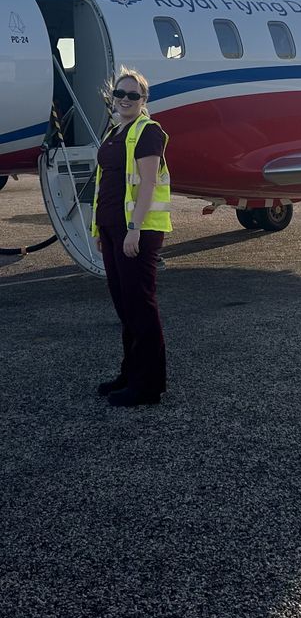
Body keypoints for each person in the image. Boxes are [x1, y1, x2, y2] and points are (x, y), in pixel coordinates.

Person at [91, 68, 172, 407]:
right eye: (120, 94)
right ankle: (130, 373)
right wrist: (99, 231)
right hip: (111, 229)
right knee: (125, 306)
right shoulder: (115, 131)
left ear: (144, 100)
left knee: (141, 305)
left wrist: (134, 229)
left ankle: (149, 386)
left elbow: (149, 183)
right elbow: (104, 183)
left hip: (137, 230)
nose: (125, 99)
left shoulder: (147, 132)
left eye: (133, 95)